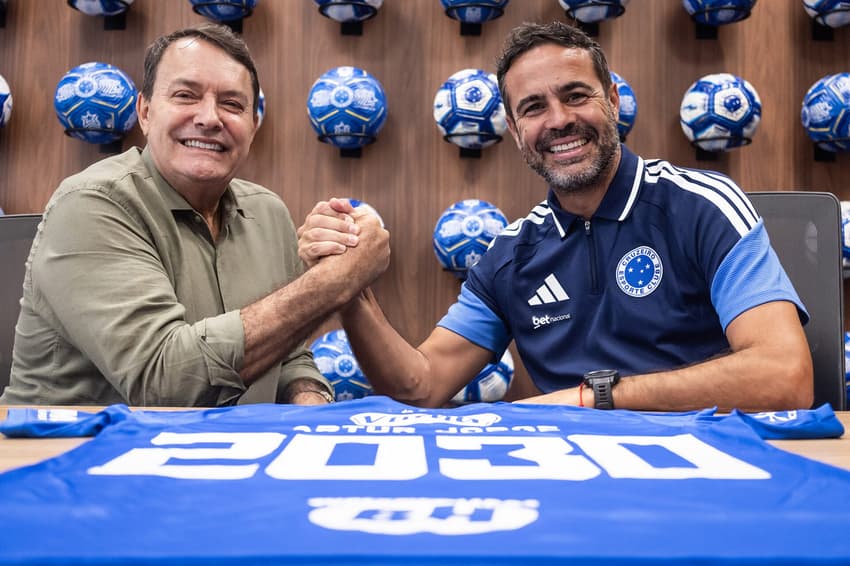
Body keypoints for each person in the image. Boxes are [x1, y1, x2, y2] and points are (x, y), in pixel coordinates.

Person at [298, 21, 813, 412]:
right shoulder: (510, 255)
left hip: (709, 475)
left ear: (612, 101)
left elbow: (785, 376)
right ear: (516, 130)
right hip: (575, 490)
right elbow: (421, 384)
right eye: (533, 107)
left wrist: (596, 397)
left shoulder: (702, 204)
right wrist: (347, 287)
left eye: (575, 95)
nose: (559, 120)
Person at [1, 24, 389, 407]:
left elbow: (288, 355)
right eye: (186, 95)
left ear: (254, 126)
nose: (209, 118)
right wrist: (335, 280)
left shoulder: (267, 212)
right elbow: (164, 382)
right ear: (145, 112)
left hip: (217, 456)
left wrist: (310, 399)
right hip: (73, 458)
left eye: (233, 104)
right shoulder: (91, 204)